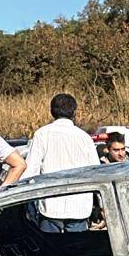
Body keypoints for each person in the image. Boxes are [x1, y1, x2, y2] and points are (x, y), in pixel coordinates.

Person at [24, 93, 100, 232]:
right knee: (77, 250)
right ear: (74, 112)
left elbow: (30, 171)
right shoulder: (84, 138)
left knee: (52, 251)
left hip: (51, 206)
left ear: (51, 111)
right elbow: (95, 172)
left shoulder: (42, 134)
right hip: (79, 207)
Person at [99, 132, 129, 229]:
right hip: (107, 222)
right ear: (108, 150)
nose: (121, 154)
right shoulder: (100, 169)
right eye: (116, 150)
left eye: (123, 149)